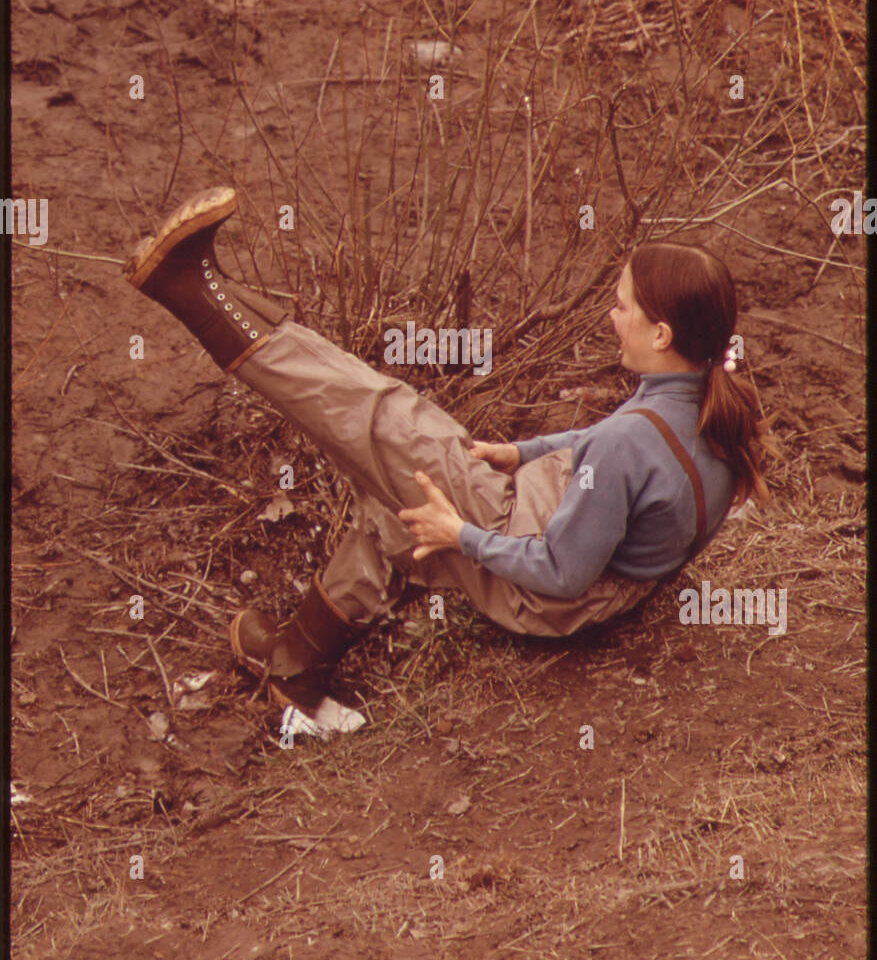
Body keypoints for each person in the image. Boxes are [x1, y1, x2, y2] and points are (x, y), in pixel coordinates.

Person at [125, 187, 774, 725]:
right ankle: (294, 666)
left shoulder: (631, 441)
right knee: (394, 505)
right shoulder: (706, 403)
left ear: (660, 333)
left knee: (385, 420)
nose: (611, 317)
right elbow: (609, 451)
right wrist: (521, 453)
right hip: (599, 571)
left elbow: (560, 572)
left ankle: (196, 296)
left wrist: (458, 534)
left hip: (553, 597)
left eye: (621, 306)